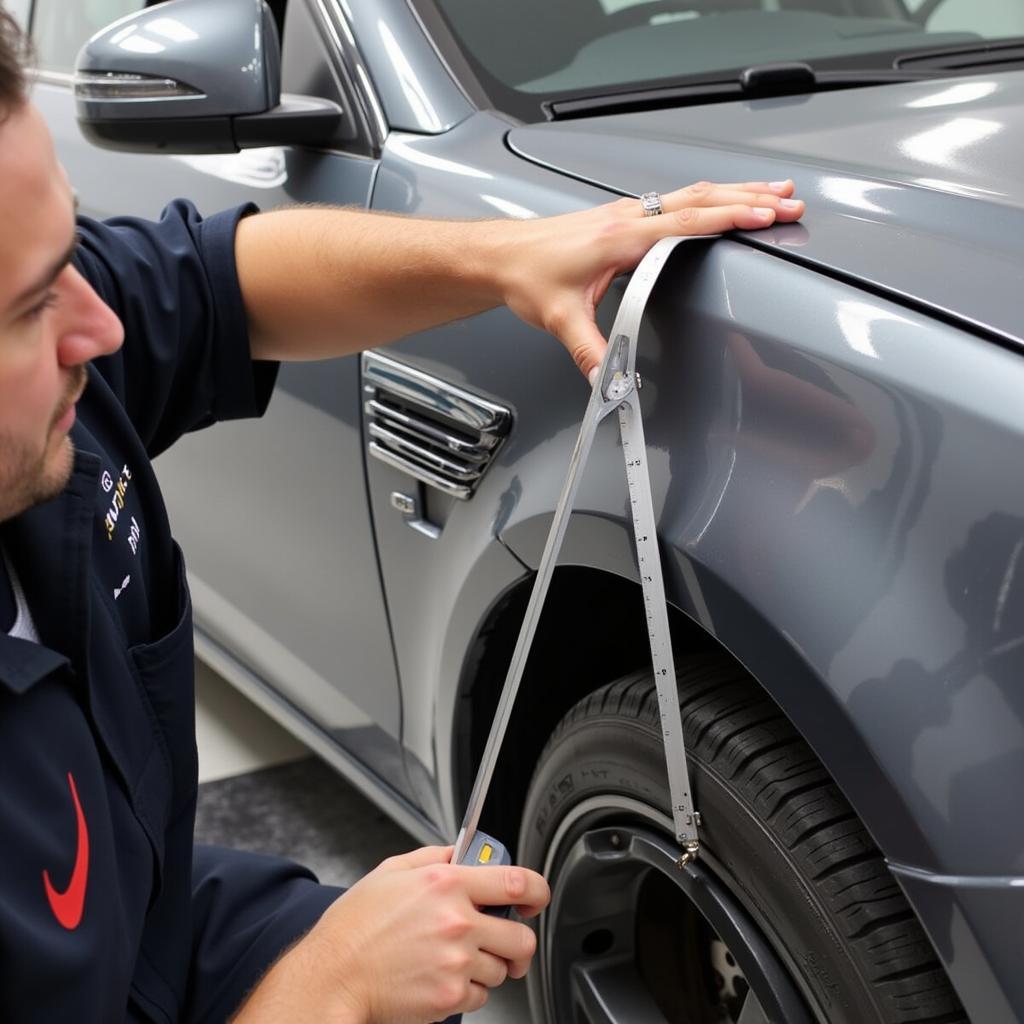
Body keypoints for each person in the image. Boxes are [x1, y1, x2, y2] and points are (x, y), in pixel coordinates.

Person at [0, 6, 805, 1022]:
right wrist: (326, 983)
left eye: (74, 256)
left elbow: (216, 288)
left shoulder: (58, 341)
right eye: (33, 308)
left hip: (159, 923)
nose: (100, 325)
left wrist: (508, 256)